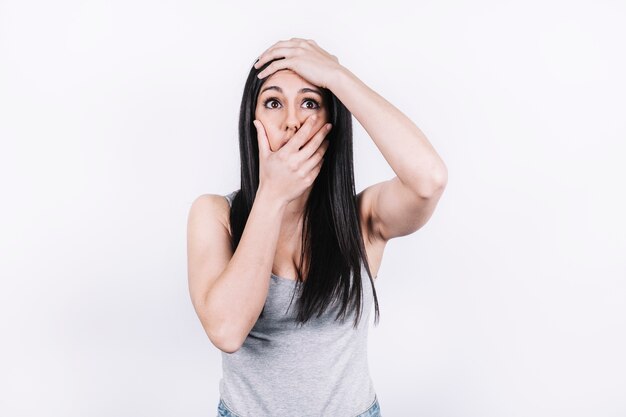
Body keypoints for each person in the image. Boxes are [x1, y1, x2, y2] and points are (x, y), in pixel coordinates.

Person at [187, 38, 448, 417]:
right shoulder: (215, 215)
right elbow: (227, 331)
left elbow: (430, 179)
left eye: (310, 102)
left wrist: (337, 76)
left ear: (330, 122)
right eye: (273, 102)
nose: (292, 120)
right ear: (252, 119)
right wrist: (272, 196)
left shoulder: (361, 219)